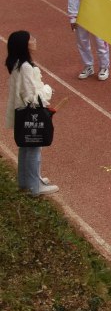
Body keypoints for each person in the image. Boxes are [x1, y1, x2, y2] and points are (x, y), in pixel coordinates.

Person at [6, 31, 58, 196]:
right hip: (30, 114)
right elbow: (31, 97)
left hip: (20, 112)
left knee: (25, 148)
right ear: (25, 45)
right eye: (31, 39)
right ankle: (35, 187)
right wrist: (47, 90)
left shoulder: (17, 64)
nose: (34, 41)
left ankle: (26, 182)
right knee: (34, 149)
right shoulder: (26, 67)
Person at [67, 0, 109, 81]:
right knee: (82, 41)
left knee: (99, 40)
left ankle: (104, 67)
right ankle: (88, 66)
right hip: (80, 9)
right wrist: (73, 18)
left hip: (95, 9)